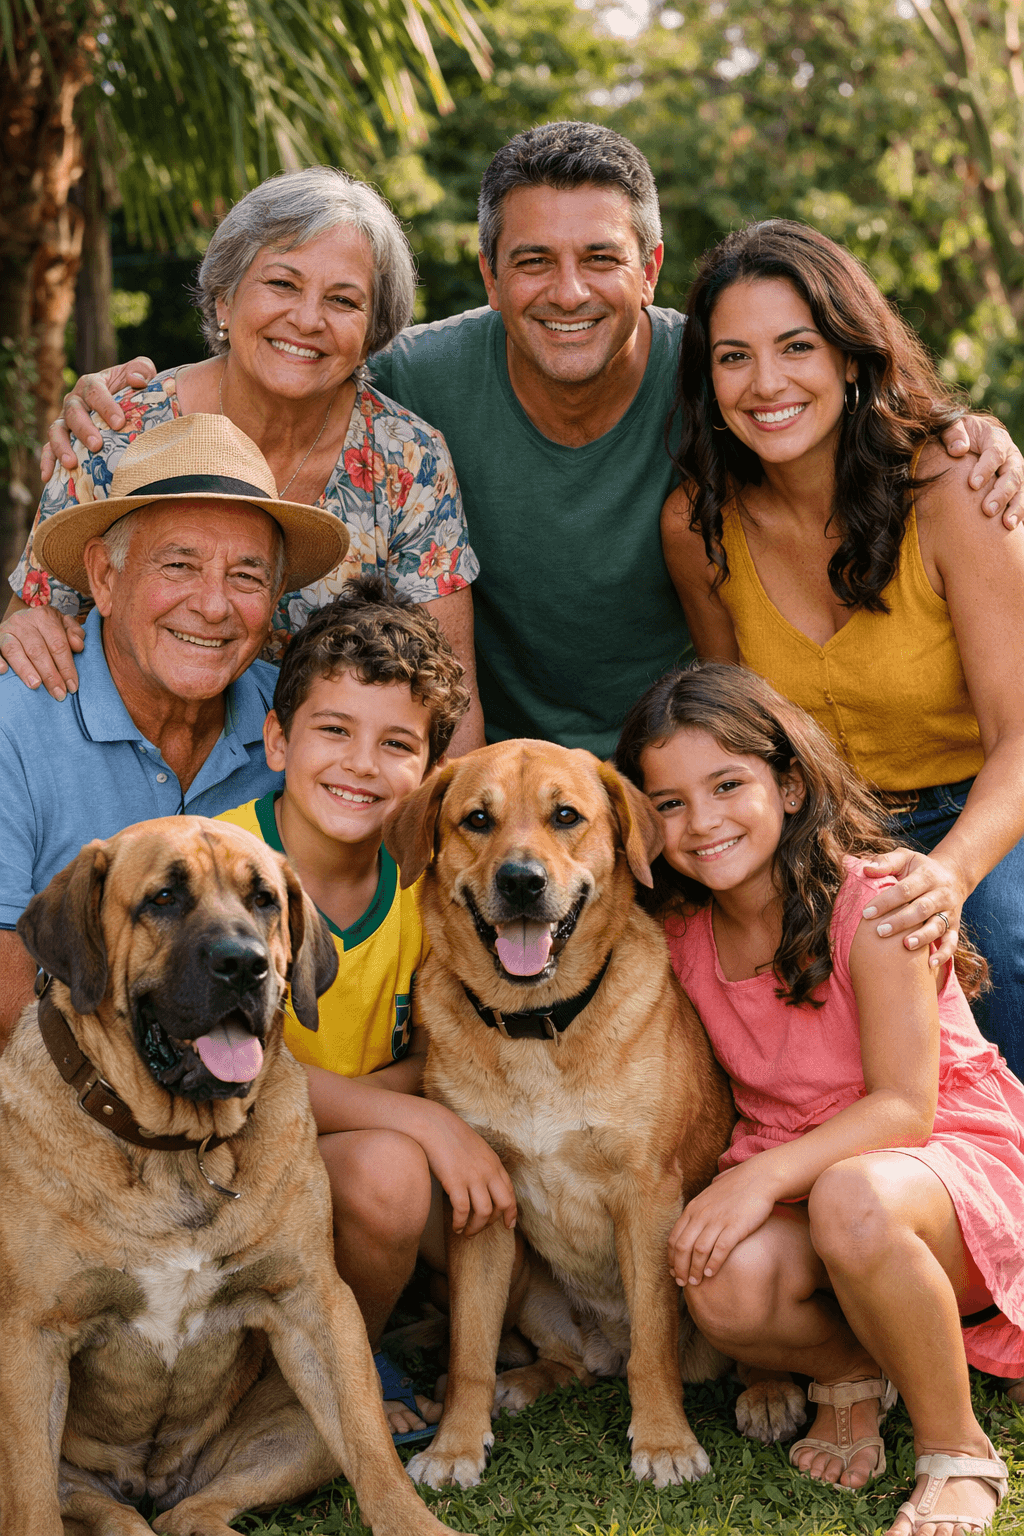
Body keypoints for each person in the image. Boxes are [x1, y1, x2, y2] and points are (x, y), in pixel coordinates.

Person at [19, 126, 1024, 758]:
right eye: (533, 261)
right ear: (490, 275)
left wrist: (970, 435)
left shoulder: (713, 374)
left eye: (601, 258)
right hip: (258, 762)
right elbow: (50, 601)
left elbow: (837, 403)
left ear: (650, 267)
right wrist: (100, 402)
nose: (569, 291)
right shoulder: (398, 385)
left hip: (648, 766)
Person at [615, 663, 1024, 1536]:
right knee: (714, 1278)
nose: (704, 821)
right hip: (811, 1180)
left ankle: (958, 1449)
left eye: (728, 785)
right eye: (670, 804)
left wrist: (756, 1181)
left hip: (937, 1164)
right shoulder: (681, 936)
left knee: (854, 1195)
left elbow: (903, 1109)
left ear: (790, 785)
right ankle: (851, 1367)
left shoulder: (874, 907)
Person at [659, 219, 1024, 1081]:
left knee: (996, 957)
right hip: (817, 827)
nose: (767, 382)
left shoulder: (951, 486)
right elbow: (737, 734)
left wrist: (949, 875)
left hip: (980, 813)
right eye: (734, 356)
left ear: (852, 357)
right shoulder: (697, 524)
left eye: (798, 347)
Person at [2, 165, 485, 755]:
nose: (308, 319)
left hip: (329, 789)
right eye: (282, 284)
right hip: (126, 760)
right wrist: (24, 630)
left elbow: (448, 700)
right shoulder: (114, 432)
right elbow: (35, 632)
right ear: (224, 297)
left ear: (372, 330)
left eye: (343, 300)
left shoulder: (408, 460)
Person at [215, 576, 517, 1443]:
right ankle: (277, 1373)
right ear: (277, 739)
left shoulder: (428, 888)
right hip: (217, 1155)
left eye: (396, 744)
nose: (359, 764)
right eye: (333, 731)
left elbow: (452, 1044)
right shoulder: (224, 865)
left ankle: (358, 1348)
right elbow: (231, 1070)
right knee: (397, 1162)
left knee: (457, 1181)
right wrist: (418, 1119)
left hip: (342, 1150)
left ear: (430, 773)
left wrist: (408, 1109)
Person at [0, 412, 349, 1046]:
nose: (213, 605)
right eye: (180, 566)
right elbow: (5, 1008)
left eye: (246, 576)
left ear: (273, 602)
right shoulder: (12, 727)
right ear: (105, 577)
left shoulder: (302, 730)